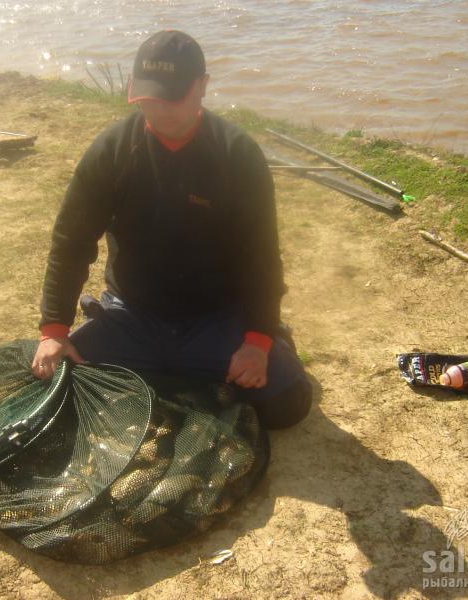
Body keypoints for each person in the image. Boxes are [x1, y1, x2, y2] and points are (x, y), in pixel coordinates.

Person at [32, 30, 311, 429]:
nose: (161, 110)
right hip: (133, 316)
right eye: (150, 97)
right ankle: (169, 365)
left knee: (287, 404)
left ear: (203, 87)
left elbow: (262, 256)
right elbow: (71, 242)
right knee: (51, 382)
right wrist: (55, 329)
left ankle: (270, 339)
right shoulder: (112, 150)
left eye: (174, 96)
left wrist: (257, 341)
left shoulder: (238, 154)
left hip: (215, 317)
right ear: (132, 88)